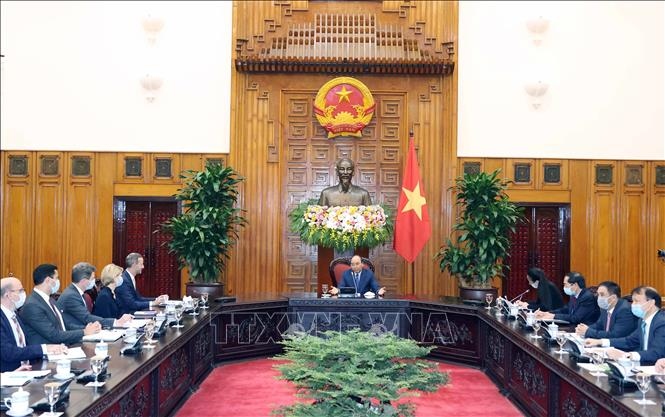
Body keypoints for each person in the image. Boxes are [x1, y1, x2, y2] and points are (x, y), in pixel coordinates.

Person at [19, 264, 100, 345]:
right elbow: (53, 335)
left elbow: (64, 325)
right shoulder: (32, 305)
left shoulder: (51, 300)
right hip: (48, 353)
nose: (58, 281)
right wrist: (84, 332)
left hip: (62, 347)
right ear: (47, 280)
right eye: (56, 278)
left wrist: (88, 328)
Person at [1, 277, 67, 372]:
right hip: (11, 373)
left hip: (28, 369)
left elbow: (25, 345)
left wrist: (50, 351)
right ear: (8, 295)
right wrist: (44, 349)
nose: (23, 293)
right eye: (20, 290)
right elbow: (8, 352)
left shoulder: (14, 315)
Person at [585, 286, 665, 365]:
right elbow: (629, 341)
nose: (633, 305)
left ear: (651, 303)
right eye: (633, 301)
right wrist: (600, 342)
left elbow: (657, 352)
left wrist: (628, 355)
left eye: (636, 301)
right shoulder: (642, 320)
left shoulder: (661, 323)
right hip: (644, 365)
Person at [57, 262, 132, 329]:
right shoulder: (71, 296)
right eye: (92, 278)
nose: (94, 282)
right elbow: (86, 317)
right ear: (83, 281)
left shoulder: (77, 293)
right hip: (74, 338)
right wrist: (115, 322)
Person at [535, 271, 599, 325]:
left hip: (583, 329)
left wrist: (554, 316)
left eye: (565, 284)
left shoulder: (587, 297)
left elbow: (576, 318)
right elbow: (565, 310)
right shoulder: (573, 295)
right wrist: (548, 313)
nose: (564, 287)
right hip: (573, 326)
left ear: (575, 285)